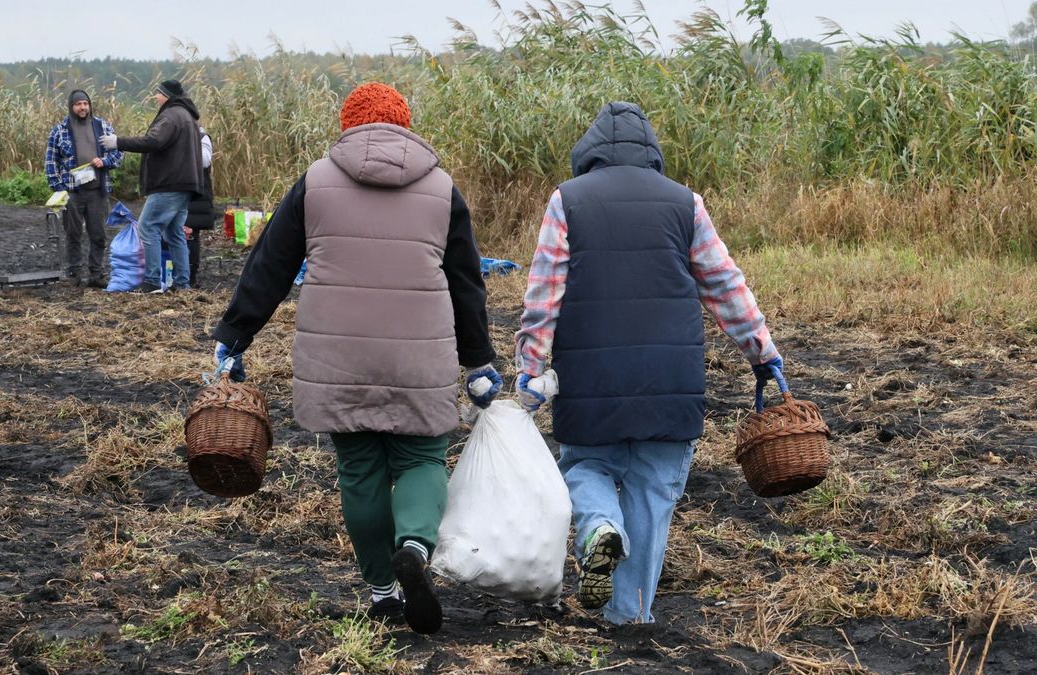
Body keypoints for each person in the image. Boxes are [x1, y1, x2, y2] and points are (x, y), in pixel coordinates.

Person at [211, 82, 501, 634]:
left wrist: (235, 334)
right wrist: (478, 360)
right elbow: (466, 281)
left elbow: (270, 264)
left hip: (337, 356)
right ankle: (414, 546)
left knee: (359, 468)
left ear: (348, 125)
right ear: (404, 124)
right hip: (419, 355)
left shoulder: (316, 182)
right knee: (421, 459)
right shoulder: (441, 189)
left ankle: (382, 592)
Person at [513, 101, 784, 625]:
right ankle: (629, 616)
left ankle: (597, 529)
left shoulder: (567, 199)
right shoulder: (686, 203)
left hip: (590, 378)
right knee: (654, 491)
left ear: (589, 153)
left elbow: (544, 294)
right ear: (652, 153)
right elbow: (724, 283)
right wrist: (762, 351)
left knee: (587, 465)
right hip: (670, 379)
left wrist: (530, 365)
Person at [99, 80, 203, 293]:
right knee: (174, 233)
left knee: (148, 228)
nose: (155, 97)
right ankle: (182, 284)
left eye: (157, 93)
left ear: (166, 95)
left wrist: (118, 142)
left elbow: (152, 142)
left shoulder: (171, 115)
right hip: (185, 185)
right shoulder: (187, 116)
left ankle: (152, 281)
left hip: (169, 184)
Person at [44, 89, 123, 288]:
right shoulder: (60, 130)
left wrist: (104, 161)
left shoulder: (102, 126)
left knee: (99, 234)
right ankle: (74, 274)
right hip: (72, 192)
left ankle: (96, 274)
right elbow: (51, 161)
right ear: (72, 107)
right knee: (73, 234)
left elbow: (118, 153)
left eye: (85, 104)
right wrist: (59, 187)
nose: (83, 107)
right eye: (78, 104)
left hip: (98, 191)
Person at [183, 126, 214, 289]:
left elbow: (204, 160)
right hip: (180, 190)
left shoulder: (201, 137)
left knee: (190, 234)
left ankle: (191, 276)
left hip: (196, 195)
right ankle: (178, 274)